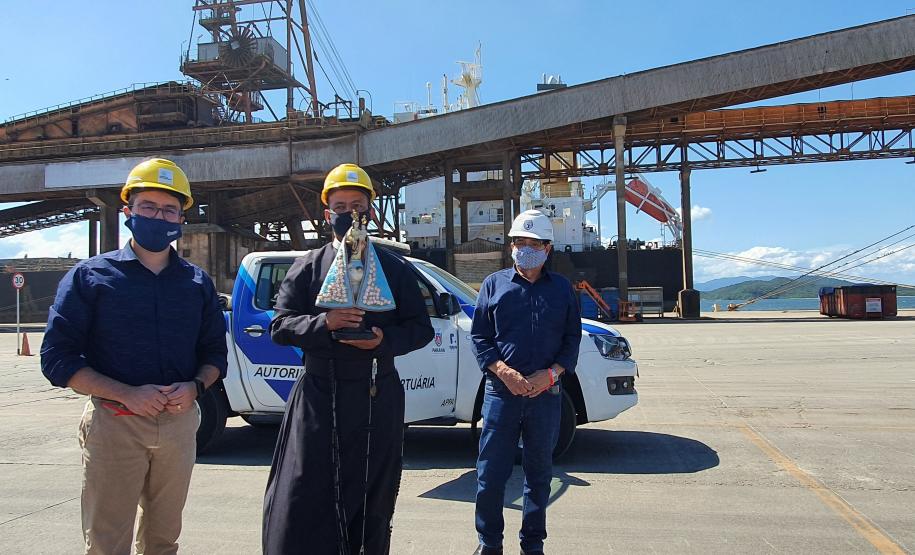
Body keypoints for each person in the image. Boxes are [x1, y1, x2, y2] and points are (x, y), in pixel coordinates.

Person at [39, 158, 228, 555]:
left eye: (169, 210)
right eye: (148, 207)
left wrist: (195, 387)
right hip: (115, 423)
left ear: (181, 218)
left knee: (164, 539)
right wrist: (126, 393)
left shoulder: (196, 283)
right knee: (107, 542)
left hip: (178, 426)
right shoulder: (90, 277)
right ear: (128, 211)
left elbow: (214, 354)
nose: (159, 216)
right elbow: (57, 357)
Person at [262, 163, 434, 555]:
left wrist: (383, 340)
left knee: (373, 494)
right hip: (319, 396)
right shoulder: (307, 267)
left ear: (370, 211)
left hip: (377, 396)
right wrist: (324, 323)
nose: (349, 213)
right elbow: (280, 327)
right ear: (327, 214)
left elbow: (420, 328)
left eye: (357, 205)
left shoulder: (394, 269)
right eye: (340, 206)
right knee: (306, 492)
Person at [471, 209, 582, 555]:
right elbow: (480, 337)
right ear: (511, 247)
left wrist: (550, 374)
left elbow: (572, 339)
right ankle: (489, 543)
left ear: (548, 249)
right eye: (519, 242)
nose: (524, 249)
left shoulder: (562, 289)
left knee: (539, 475)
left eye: (533, 244)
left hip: (545, 395)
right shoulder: (493, 284)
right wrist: (504, 372)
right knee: (490, 474)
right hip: (501, 394)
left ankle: (532, 544)